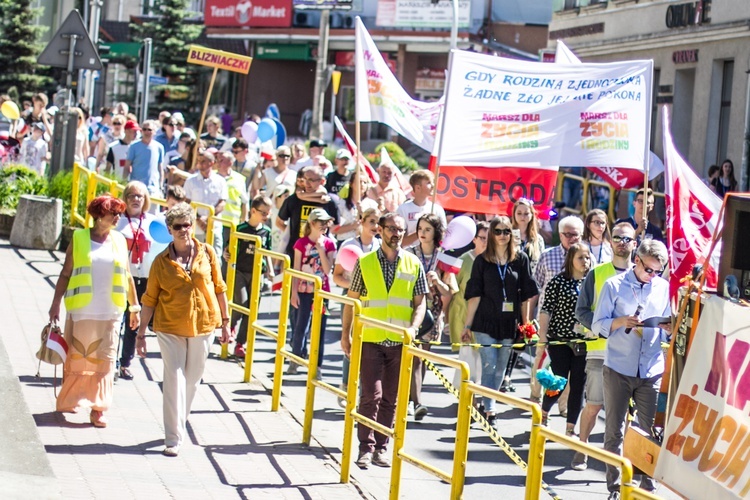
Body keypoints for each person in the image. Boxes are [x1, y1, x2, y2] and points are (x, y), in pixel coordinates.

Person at [137, 203, 231, 457]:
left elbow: (220, 288)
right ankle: (173, 437)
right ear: (169, 229)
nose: (183, 230)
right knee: (174, 378)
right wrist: (141, 333)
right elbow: (149, 299)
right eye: (177, 226)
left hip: (203, 324)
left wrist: (226, 321)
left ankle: (179, 422)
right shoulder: (160, 262)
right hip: (170, 327)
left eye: (187, 225)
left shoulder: (207, 253)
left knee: (193, 379)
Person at [341, 212, 428, 469]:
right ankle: (365, 448)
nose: (396, 234)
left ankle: (381, 448)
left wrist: (413, 327)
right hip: (371, 337)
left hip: (399, 340)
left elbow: (420, 302)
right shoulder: (365, 263)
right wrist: (345, 334)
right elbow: (352, 300)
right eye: (391, 229)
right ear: (380, 230)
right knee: (371, 395)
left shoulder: (413, 263)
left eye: (400, 230)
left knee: (391, 397)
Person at [48, 195, 140, 427]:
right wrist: (55, 303)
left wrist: (135, 307)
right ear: (99, 215)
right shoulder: (79, 238)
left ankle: (98, 408)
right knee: (78, 357)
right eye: (114, 213)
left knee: (105, 360)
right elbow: (66, 274)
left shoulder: (120, 240)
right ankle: (73, 399)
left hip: (111, 311)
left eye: (120, 213)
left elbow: (128, 276)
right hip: (82, 309)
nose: (118, 217)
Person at [592, 239, 671, 498]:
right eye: (648, 270)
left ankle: (645, 484)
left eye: (657, 271)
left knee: (646, 431)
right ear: (637, 260)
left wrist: (667, 329)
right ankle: (615, 486)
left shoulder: (663, 287)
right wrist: (620, 321)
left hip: (650, 368)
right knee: (614, 429)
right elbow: (597, 324)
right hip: (618, 366)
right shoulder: (613, 285)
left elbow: (668, 324)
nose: (652, 276)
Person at [572, 222, 637, 471]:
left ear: (635, 244)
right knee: (594, 404)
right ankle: (582, 448)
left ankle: (622, 459)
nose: (622, 242)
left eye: (627, 238)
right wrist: (602, 328)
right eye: (617, 237)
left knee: (624, 412)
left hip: (630, 355)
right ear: (610, 242)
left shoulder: (642, 275)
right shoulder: (597, 273)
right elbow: (582, 311)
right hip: (599, 350)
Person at [462, 216, 538, 425]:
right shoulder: (482, 261)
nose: (502, 236)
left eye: (507, 231)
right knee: (490, 364)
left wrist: (526, 324)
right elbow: (474, 295)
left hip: (509, 323)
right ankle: (490, 408)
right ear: (491, 234)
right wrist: (467, 326)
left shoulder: (520, 259)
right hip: (485, 321)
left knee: (502, 367)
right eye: (498, 231)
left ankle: (487, 399)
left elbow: (526, 294)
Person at [407, 213, 458, 420]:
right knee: (413, 357)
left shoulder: (443, 257)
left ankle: (414, 399)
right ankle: (415, 400)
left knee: (422, 358)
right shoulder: (409, 254)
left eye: (427, 229)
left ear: (436, 232)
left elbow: (450, 291)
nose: (422, 233)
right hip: (411, 310)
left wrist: (437, 281)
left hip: (432, 314)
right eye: (420, 229)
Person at [529, 215, 584, 406]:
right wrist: (529, 319)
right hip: (546, 321)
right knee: (541, 362)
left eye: (575, 235)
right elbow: (535, 288)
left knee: (567, 372)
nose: (571, 238)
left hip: (574, 328)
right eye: (567, 234)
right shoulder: (547, 256)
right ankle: (535, 397)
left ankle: (562, 407)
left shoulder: (588, 259)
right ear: (560, 235)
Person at [114, 182, 166, 380]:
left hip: (145, 278)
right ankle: (111, 360)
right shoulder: (118, 222)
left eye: (140, 196)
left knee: (133, 323)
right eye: (132, 196)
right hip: (122, 277)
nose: (136, 199)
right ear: (125, 199)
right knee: (116, 320)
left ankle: (126, 362)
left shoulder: (153, 222)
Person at [538, 242, 591, 432]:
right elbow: (546, 310)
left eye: (587, 257)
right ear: (571, 260)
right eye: (580, 257)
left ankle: (570, 428)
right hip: (559, 340)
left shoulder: (591, 283)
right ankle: (543, 413)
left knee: (579, 385)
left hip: (583, 342)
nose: (585, 261)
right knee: (558, 381)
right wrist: (542, 336)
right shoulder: (559, 282)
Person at [332, 207, 382, 406]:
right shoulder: (349, 244)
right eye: (371, 221)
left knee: (370, 345)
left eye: (378, 222)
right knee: (350, 342)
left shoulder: (381, 246)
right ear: (361, 222)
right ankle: (346, 385)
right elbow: (337, 276)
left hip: (373, 301)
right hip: (353, 299)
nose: (375, 226)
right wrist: (355, 286)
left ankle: (364, 391)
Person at [288, 208, 337, 375]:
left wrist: (321, 250)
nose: (324, 226)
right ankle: (295, 359)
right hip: (303, 289)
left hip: (321, 292)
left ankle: (317, 365)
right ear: (312, 223)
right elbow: (296, 268)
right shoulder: (300, 244)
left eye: (326, 223)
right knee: (301, 325)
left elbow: (328, 269)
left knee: (320, 328)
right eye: (321, 223)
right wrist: (293, 292)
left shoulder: (329, 243)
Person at [224, 195, 273, 358]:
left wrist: (270, 270)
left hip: (257, 273)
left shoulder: (266, 232)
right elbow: (228, 248)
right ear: (253, 211)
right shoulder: (241, 228)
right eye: (263, 213)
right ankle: (230, 325)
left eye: (268, 213)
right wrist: (227, 253)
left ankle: (240, 343)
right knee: (242, 302)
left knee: (252, 309)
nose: (267, 216)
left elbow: (268, 253)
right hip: (240, 271)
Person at [277, 166, 339, 260]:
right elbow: (279, 222)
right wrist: (293, 234)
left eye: (311, 180)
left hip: (319, 255)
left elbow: (336, 225)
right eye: (305, 179)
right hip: (296, 254)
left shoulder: (329, 201)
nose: (307, 183)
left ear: (322, 181)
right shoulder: (293, 200)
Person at [448, 221, 489, 349]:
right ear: (474, 239)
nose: (485, 242)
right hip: (463, 316)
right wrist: (445, 319)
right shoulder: (462, 260)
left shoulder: (494, 261)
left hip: (484, 320)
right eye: (482, 238)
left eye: (489, 239)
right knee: (467, 363)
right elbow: (451, 288)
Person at [183, 150, 228, 257]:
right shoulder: (190, 181)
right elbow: (187, 202)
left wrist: (208, 218)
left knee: (215, 259)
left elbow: (222, 202)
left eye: (203, 161)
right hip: (195, 227)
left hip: (214, 226)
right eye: (199, 161)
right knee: (194, 258)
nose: (200, 164)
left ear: (211, 163)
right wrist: (198, 219)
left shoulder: (220, 181)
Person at [397, 170, 447, 246]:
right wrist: (422, 231)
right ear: (417, 187)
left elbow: (443, 237)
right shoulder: (403, 209)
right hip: (410, 254)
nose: (433, 186)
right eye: (428, 183)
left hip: (432, 254)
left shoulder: (437, 209)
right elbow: (401, 241)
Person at [332, 167, 378, 246]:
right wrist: (352, 226)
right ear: (351, 183)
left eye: (365, 182)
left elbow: (376, 227)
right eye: (359, 182)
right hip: (345, 243)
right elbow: (334, 229)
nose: (362, 185)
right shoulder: (341, 204)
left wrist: (363, 214)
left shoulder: (372, 205)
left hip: (365, 244)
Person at [125, 119, 165, 197]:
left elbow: (160, 169)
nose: (146, 132)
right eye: (144, 129)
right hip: (136, 187)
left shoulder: (159, 147)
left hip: (153, 189)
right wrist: (124, 183)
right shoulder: (133, 146)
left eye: (149, 130)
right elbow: (127, 166)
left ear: (154, 131)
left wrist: (161, 186)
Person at [511, 198, 545, 275]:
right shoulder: (508, 235)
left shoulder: (538, 239)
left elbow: (541, 263)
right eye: (519, 213)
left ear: (531, 215)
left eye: (526, 214)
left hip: (530, 280)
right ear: (514, 214)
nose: (522, 217)